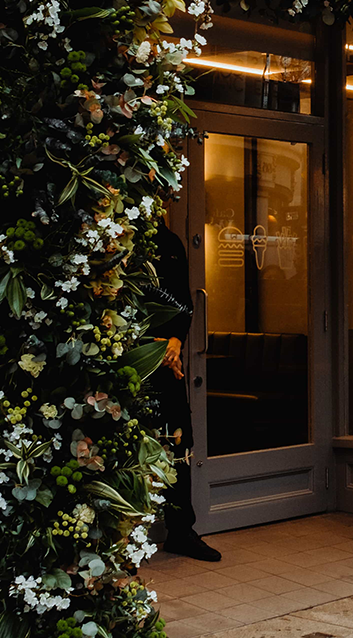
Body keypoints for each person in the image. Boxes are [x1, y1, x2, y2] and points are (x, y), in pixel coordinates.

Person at [150, 227, 221, 561]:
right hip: (126, 357)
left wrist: (176, 341)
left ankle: (181, 530)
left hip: (168, 361)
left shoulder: (169, 241)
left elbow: (181, 298)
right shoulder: (115, 236)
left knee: (179, 440)